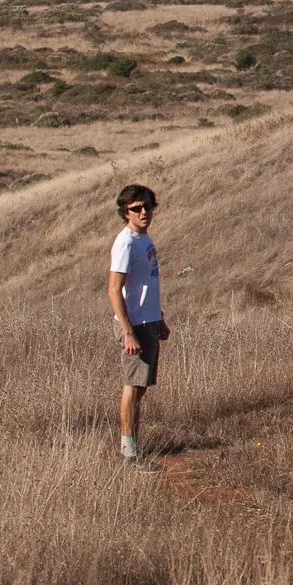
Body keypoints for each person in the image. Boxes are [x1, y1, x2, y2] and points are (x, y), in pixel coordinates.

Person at [106, 184, 166, 464]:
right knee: (132, 386)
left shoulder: (145, 239)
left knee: (141, 387)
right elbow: (114, 289)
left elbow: (146, 284)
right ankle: (129, 453)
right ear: (125, 212)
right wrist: (127, 331)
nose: (144, 212)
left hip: (148, 320)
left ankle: (134, 444)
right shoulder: (126, 243)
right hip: (135, 325)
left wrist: (160, 319)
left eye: (147, 206)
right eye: (136, 208)